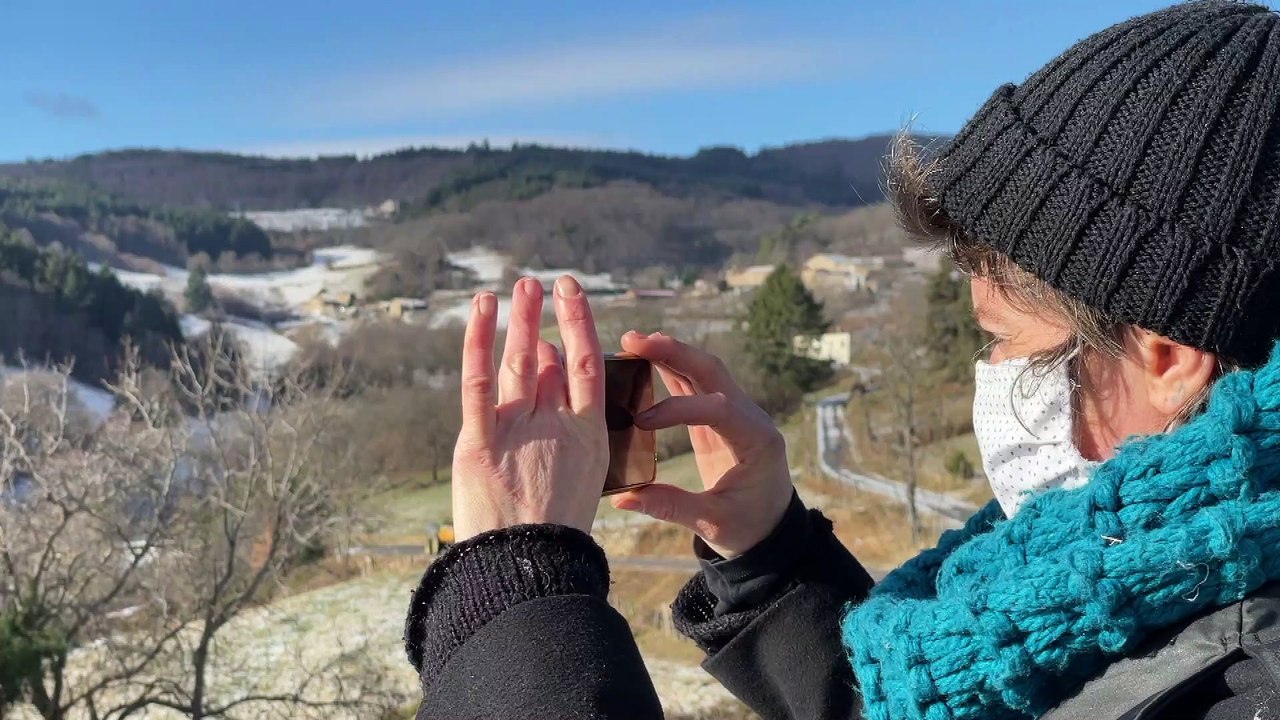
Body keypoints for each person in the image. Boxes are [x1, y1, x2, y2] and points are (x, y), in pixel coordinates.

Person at [404, 2, 1280, 718]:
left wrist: (515, 596)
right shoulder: (1140, 567)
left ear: (1167, 358)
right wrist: (767, 551)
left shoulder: (1241, 684)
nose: (993, 373)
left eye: (1005, 340)